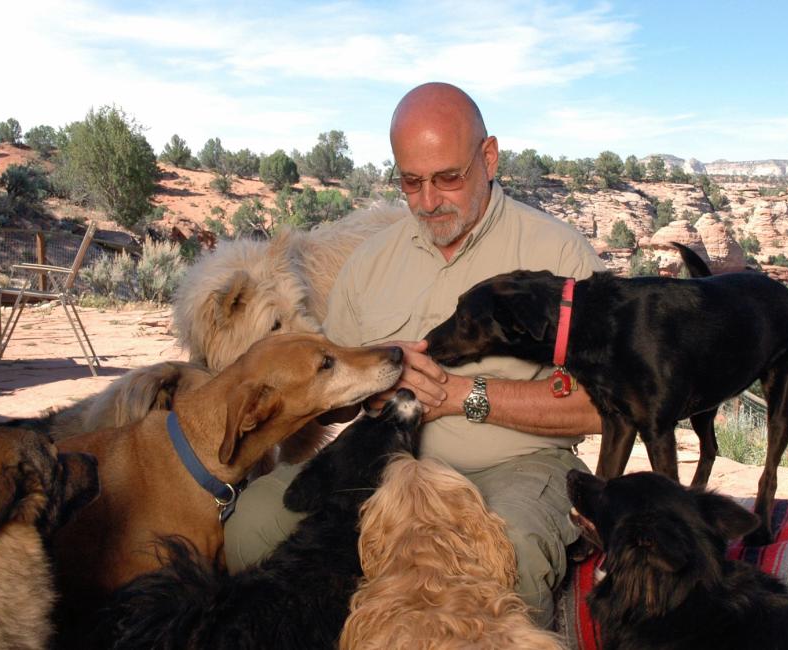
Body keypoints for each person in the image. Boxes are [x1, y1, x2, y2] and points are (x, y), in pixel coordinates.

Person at [222, 81, 605, 627]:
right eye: (410, 182)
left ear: (489, 157)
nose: (427, 201)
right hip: (374, 455)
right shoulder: (370, 261)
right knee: (250, 529)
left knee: (506, 561)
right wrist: (371, 376)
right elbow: (328, 405)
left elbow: (599, 403)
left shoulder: (557, 252)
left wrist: (463, 397)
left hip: (512, 467)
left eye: (448, 178)